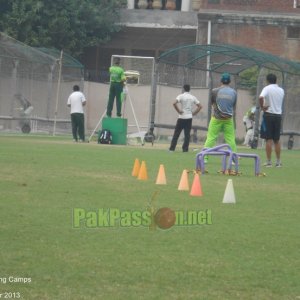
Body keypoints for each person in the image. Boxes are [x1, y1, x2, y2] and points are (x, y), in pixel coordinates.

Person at [203, 73, 237, 162]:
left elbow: (212, 103)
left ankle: (205, 158)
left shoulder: (214, 91)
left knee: (211, 138)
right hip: (228, 119)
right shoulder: (234, 92)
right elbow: (233, 105)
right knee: (230, 139)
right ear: (229, 81)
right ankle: (233, 159)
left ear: (221, 81)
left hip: (217, 118)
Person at [259, 73, 285, 167]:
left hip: (269, 115)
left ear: (267, 81)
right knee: (276, 140)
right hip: (278, 116)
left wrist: (262, 107)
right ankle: (278, 162)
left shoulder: (267, 88)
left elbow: (261, 97)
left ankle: (269, 162)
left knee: (268, 139)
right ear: (276, 80)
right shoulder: (281, 90)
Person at [169, 84, 202, 152]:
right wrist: (194, 113)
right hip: (189, 118)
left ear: (183, 89)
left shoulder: (181, 96)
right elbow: (200, 106)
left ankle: (172, 149)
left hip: (181, 117)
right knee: (187, 134)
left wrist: (179, 111)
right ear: (189, 89)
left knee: (176, 133)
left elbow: (174, 103)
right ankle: (185, 149)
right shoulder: (192, 97)